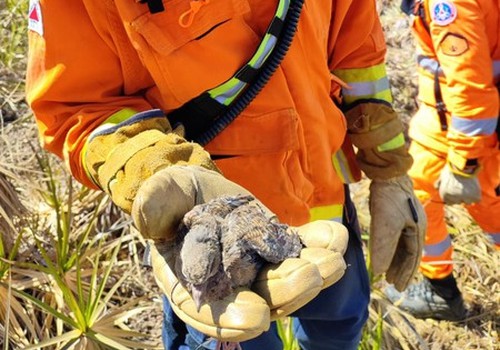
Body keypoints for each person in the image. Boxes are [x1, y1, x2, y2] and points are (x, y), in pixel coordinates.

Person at [25, 0, 426, 349]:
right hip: (212, 243)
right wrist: (161, 174)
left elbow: (357, 49)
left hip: (327, 210)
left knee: (339, 330)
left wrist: (390, 169)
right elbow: (78, 108)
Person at [385, 0, 500, 322]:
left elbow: (470, 87)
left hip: (466, 136)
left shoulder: (450, 5)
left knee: (492, 211)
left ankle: (440, 292)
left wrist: (465, 163)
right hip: (443, 129)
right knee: (417, 198)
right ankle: (440, 290)